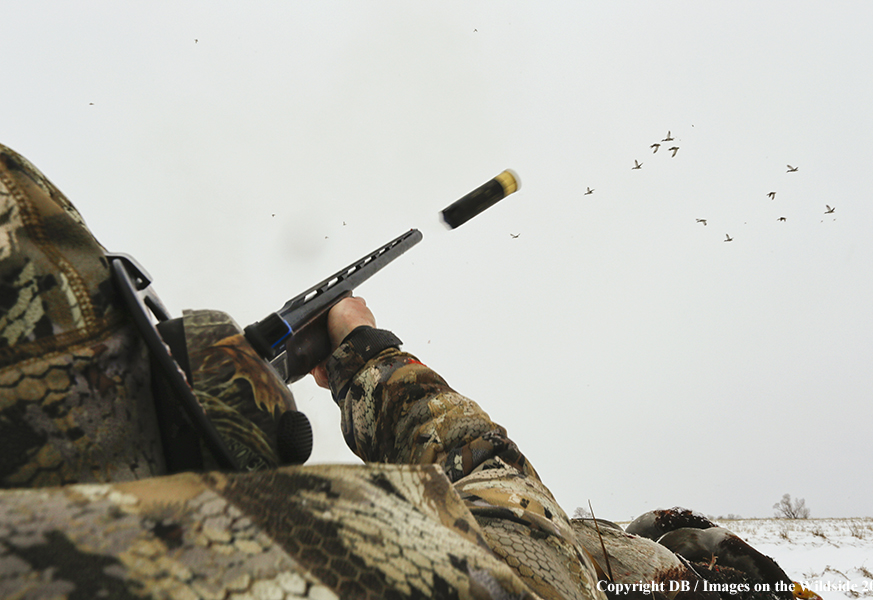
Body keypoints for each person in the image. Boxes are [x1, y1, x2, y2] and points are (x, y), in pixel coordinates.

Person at [0, 143, 816, 600]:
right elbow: (530, 560)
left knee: (641, 541)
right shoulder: (185, 551)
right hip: (616, 566)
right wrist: (366, 354)